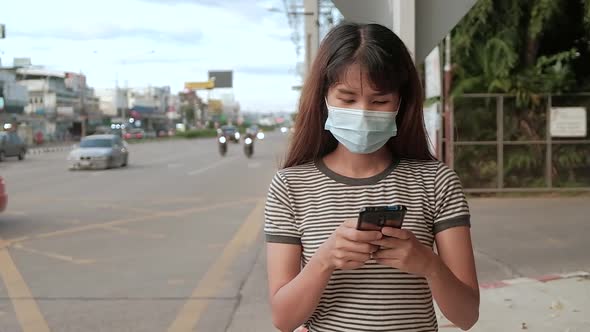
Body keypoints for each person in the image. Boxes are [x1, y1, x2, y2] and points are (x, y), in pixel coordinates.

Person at [264, 22, 479, 332]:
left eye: (379, 101)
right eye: (347, 99)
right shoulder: (290, 186)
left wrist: (429, 265)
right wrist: (325, 260)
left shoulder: (437, 182)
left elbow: (467, 315)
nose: (363, 112)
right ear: (323, 98)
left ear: (401, 103)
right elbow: (283, 320)